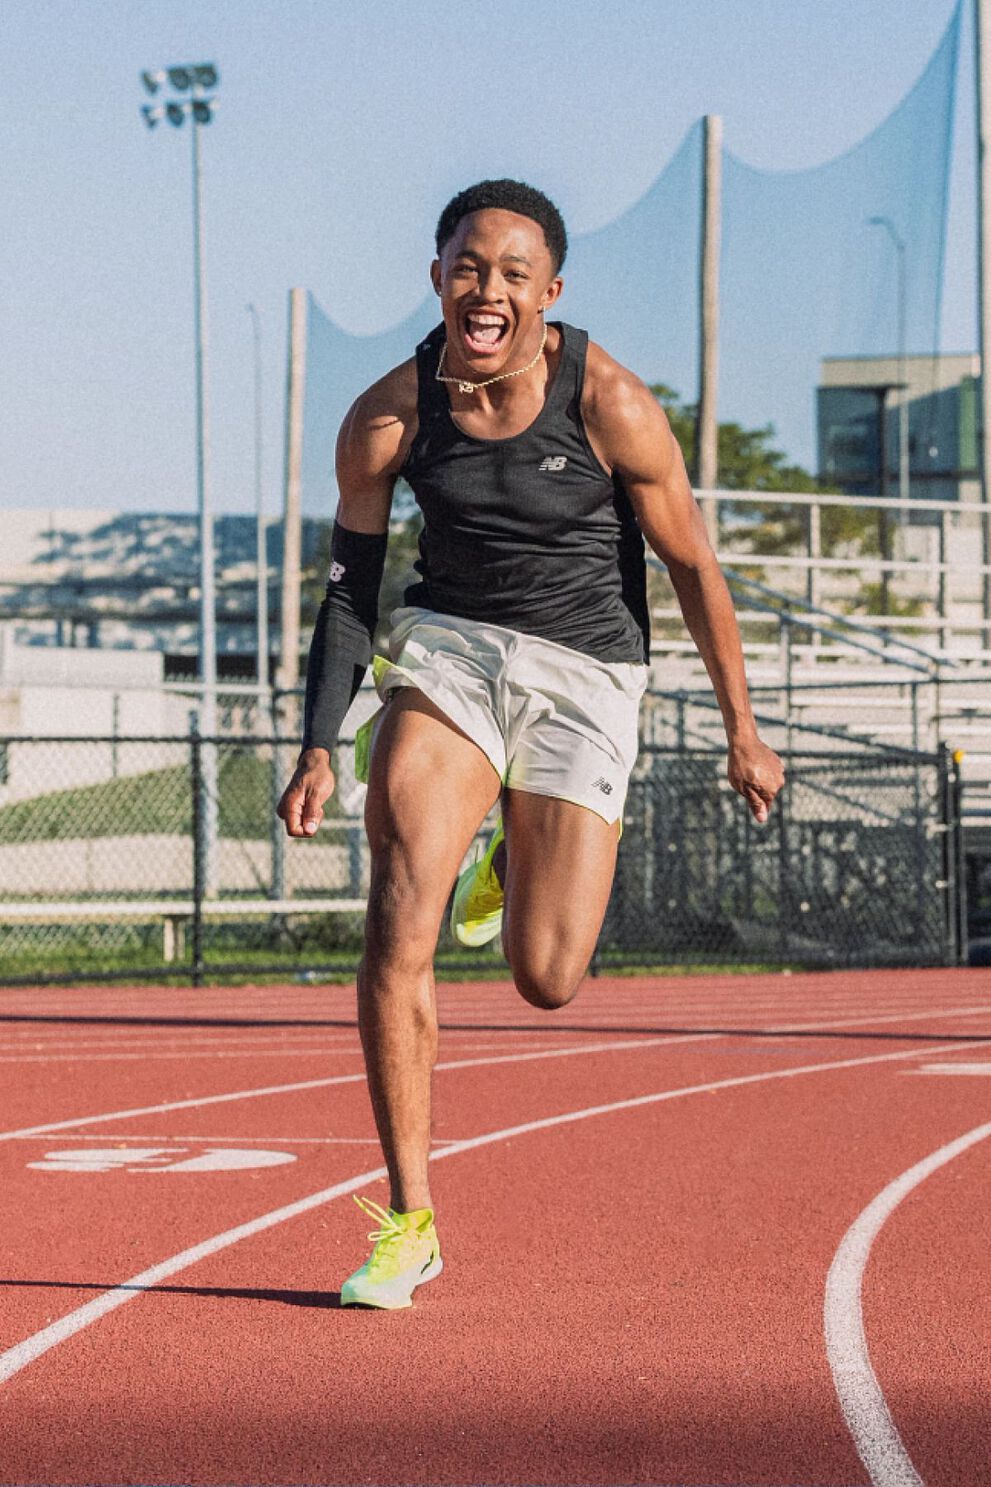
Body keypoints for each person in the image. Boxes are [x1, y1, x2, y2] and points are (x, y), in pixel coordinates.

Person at [277, 179, 785, 1309]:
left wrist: (742, 729)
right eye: (468, 266)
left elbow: (691, 567)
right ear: (437, 277)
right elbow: (351, 588)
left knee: (547, 976)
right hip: (451, 651)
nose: (487, 288)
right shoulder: (387, 416)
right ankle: (409, 1219)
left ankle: (516, 838)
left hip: (585, 671)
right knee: (398, 910)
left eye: (513, 272)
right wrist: (317, 741)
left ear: (549, 293)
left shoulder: (610, 401)